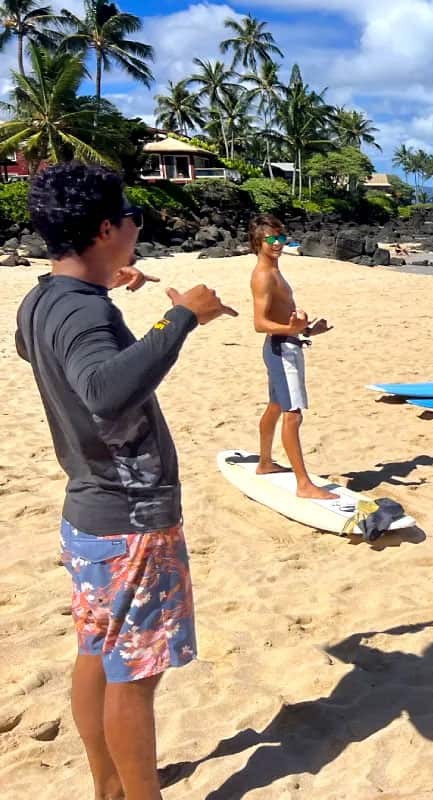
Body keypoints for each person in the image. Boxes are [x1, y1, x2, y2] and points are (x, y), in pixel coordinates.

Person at [15, 162, 237, 800]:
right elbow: (105, 392)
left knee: (99, 652)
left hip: (88, 512)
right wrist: (180, 320)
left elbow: (41, 349)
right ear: (108, 228)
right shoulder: (81, 311)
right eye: (132, 218)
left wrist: (107, 290)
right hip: (129, 517)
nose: (139, 227)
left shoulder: (44, 300)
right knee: (134, 676)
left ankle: (108, 788)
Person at [250, 214, 336, 500]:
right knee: (292, 414)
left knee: (276, 405)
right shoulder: (263, 276)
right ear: (258, 242)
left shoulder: (274, 271)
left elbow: (282, 316)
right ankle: (303, 484)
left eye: (281, 238)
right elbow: (259, 323)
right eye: (270, 239)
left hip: (286, 343)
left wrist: (308, 330)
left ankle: (264, 463)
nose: (277, 244)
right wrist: (291, 329)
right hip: (280, 349)